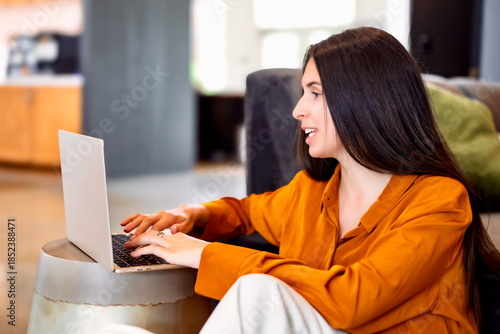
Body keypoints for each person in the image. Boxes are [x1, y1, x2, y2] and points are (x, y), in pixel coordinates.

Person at [121, 27, 500, 333]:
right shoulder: (312, 190)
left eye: (314, 94)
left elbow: (353, 300)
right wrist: (191, 214)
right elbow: (248, 211)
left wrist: (201, 253)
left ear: (365, 101)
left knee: (257, 291)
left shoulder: (439, 200)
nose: (297, 110)